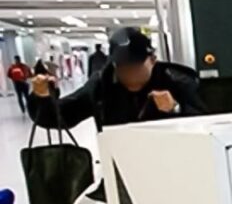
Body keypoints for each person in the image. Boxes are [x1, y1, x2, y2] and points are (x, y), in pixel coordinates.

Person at [28, 27, 203, 131]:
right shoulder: (102, 85)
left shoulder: (176, 80)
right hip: (120, 166)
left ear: (152, 60)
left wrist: (176, 108)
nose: (129, 73)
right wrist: (42, 97)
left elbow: (208, 124)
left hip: (173, 166)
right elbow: (61, 117)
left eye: (135, 66)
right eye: (122, 67)